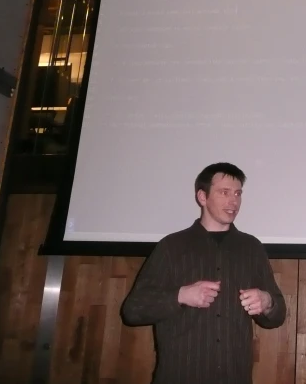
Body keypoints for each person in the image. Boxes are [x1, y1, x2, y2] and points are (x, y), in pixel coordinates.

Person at [121, 162, 286, 384]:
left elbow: (277, 315)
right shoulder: (171, 246)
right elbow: (132, 310)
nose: (233, 201)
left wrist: (267, 302)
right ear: (202, 197)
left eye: (237, 193)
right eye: (224, 192)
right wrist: (180, 296)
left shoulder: (251, 247)